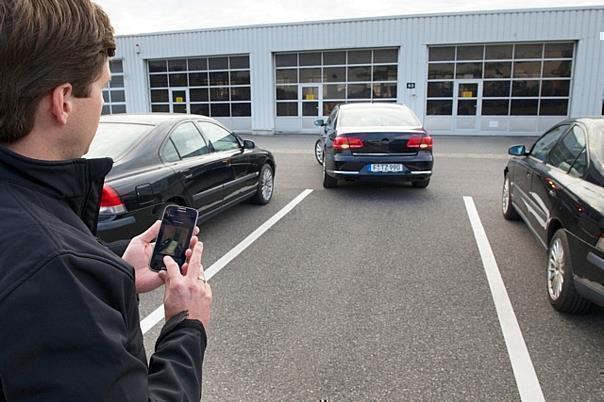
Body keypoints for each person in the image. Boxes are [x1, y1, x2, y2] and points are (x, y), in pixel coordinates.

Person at [0, 0, 212, 400]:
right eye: (101, 87)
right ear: (63, 101)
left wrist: (112, 279)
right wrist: (187, 326)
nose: (101, 102)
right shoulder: (53, 270)